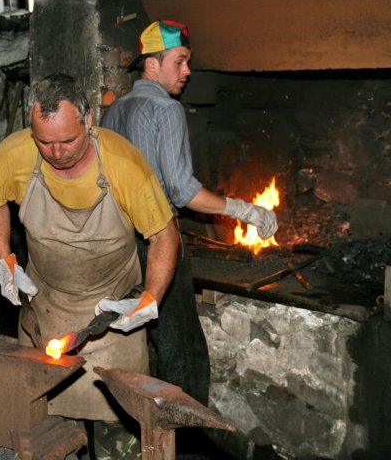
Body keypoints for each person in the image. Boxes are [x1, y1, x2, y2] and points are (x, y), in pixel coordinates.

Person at [0, 73, 179, 458]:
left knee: (119, 440)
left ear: (89, 121)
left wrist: (150, 298)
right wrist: (5, 258)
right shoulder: (14, 154)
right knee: (46, 435)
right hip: (47, 310)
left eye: (67, 141)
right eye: (45, 142)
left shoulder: (123, 164)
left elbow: (163, 236)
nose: (56, 153)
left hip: (112, 321)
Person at [101, 20, 278, 413]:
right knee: (182, 346)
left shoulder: (113, 112)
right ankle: (189, 435)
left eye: (187, 63)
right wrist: (244, 210)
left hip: (116, 243)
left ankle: (139, 420)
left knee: (140, 336)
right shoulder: (167, 109)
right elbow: (182, 190)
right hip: (158, 241)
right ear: (151, 65)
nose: (187, 71)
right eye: (179, 62)